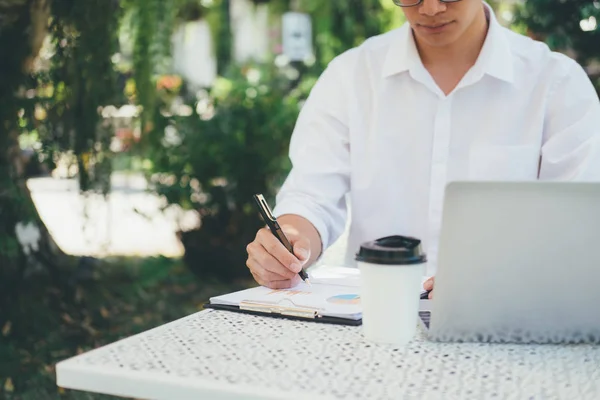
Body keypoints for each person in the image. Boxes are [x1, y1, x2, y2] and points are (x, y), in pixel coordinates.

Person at [245, 0, 600, 294]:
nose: (429, 8)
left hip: (512, 322)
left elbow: (579, 226)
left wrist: (496, 277)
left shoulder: (556, 83)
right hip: (373, 322)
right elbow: (312, 194)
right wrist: (289, 243)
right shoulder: (351, 76)